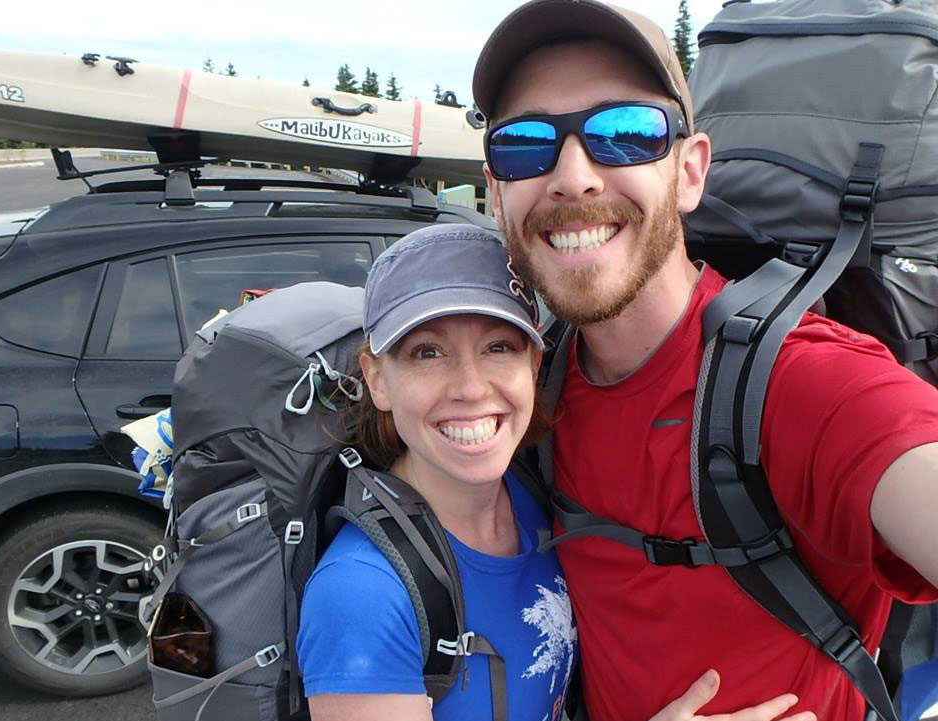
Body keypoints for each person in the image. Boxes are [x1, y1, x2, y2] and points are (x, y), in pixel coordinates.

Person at [471, 3, 938, 721]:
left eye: (623, 134)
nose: (573, 177)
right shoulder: (524, 388)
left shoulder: (804, 384)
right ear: (496, 189)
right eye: (525, 144)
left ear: (690, 174)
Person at [295, 224, 818, 721]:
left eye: (499, 347)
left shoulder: (532, 492)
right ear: (377, 380)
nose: (471, 388)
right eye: (427, 353)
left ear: (534, 364)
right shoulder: (360, 597)